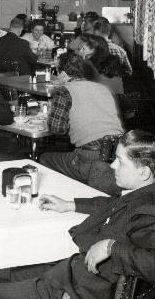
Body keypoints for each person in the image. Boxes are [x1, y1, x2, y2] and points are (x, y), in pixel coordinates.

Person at [0, 130, 155, 299]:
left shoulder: (151, 212)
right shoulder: (143, 196)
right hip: (81, 283)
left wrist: (110, 247)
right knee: (18, 272)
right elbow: (112, 205)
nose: (112, 165)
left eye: (120, 161)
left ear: (144, 172)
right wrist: (69, 205)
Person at [39, 52, 124, 195]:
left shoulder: (65, 91)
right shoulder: (102, 88)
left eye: (58, 73)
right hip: (118, 152)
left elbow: (57, 128)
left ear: (64, 74)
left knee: (44, 158)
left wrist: (48, 118)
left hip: (91, 157)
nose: (57, 76)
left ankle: (65, 199)